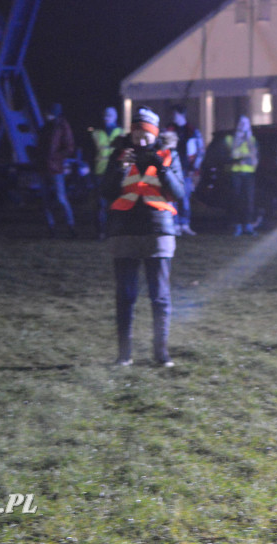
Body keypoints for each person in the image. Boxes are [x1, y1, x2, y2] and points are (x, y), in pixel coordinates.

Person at [100, 106, 185, 367]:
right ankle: (124, 355)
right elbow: (105, 191)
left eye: (146, 134)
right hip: (123, 231)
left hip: (158, 231)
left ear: (155, 134)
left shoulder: (169, 156)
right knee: (125, 296)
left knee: (159, 297)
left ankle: (161, 354)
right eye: (137, 133)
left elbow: (180, 194)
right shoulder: (119, 155)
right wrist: (119, 168)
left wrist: (162, 169)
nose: (141, 139)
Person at [37, 102, 77, 237]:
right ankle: (52, 227)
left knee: (61, 198)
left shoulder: (61, 126)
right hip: (45, 166)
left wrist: (55, 157)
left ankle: (70, 226)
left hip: (54, 167)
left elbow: (69, 147)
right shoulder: (46, 127)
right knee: (46, 199)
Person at [90, 106, 123, 240]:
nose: (106, 118)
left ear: (114, 117)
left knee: (115, 203)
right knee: (100, 203)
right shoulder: (96, 133)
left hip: (115, 172)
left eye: (109, 115)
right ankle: (101, 231)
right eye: (105, 115)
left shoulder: (121, 132)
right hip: (100, 171)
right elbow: (91, 152)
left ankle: (113, 231)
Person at [170, 104, 201, 235]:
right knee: (173, 198)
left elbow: (199, 150)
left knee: (185, 198)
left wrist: (194, 167)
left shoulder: (192, 131)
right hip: (172, 169)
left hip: (186, 169)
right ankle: (175, 224)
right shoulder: (170, 130)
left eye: (175, 114)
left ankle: (184, 224)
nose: (173, 117)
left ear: (181, 114)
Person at [225, 114, 258, 236]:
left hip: (249, 173)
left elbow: (255, 158)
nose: (243, 125)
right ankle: (236, 225)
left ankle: (248, 225)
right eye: (241, 123)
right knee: (236, 199)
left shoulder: (252, 140)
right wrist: (240, 157)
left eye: (246, 123)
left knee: (248, 200)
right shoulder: (230, 139)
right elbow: (230, 155)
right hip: (235, 172)